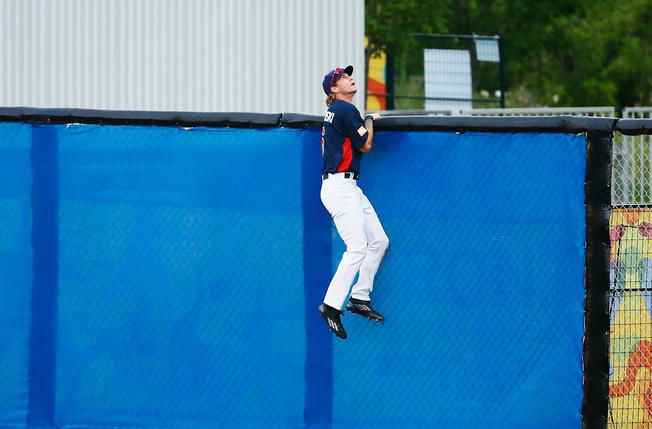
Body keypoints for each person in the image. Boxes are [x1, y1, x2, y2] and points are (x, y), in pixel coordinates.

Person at [317, 65, 389, 340]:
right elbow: (366, 145)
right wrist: (370, 119)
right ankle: (332, 305)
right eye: (342, 77)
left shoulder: (340, 109)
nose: (349, 77)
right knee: (357, 247)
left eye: (348, 75)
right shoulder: (344, 108)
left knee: (379, 241)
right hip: (339, 186)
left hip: (346, 186)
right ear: (334, 89)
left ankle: (359, 297)